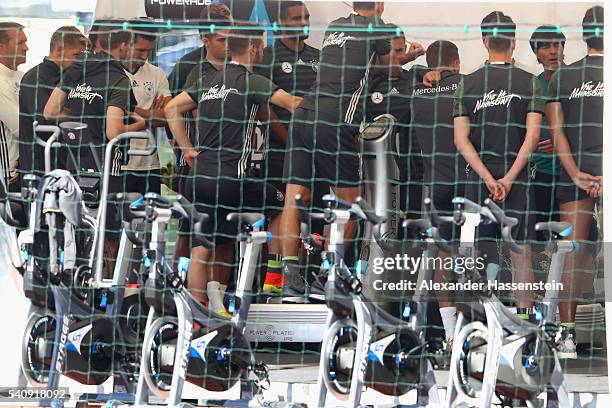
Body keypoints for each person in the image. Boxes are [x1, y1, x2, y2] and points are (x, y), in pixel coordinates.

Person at [279, 1, 423, 297]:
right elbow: (388, 66)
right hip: (335, 118)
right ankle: (327, 273)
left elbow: (362, 62)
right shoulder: (379, 27)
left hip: (304, 113)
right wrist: (413, 57)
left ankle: (289, 274)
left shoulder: (336, 24)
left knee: (296, 197)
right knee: (352, 205)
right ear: (380, 4)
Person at [164, 25, 301, 316]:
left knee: (208, 244)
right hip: (232, 179)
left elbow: (171, 109)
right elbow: (293, 104)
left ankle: (201, 313)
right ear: (252, 48)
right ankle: (276, 279)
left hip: (199, 177)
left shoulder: (209, 80)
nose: (263, 51)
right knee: (283, 204)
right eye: (261, 47)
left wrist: (187, 148)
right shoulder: (252, 80)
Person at [453, 11, 543, 320]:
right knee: (521, 253)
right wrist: (507, 179)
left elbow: (461, 141)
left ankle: (475, 324)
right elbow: (531, 139)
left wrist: (490, 179)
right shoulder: (530, 82)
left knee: (477, 253)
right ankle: (526, 325)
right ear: (514, 41)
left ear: (484, 41)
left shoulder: (468, 83)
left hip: (479, 179)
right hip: (515, 178)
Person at [44, 23, 146, 275]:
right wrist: (140, 126)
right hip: (106, 168)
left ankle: (77, 282)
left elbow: (50, 112)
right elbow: (113, 131)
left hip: (74, 164)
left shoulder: (77, 72)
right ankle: (107, 287)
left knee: (76, 227)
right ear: (122, 46)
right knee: (108, 230)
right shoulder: (118, 80)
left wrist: (80, 120)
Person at [547, 5, 604, 359]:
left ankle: (566, 336)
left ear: (583, 35)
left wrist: (572, 172)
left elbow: (556, 132)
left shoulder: (562, 78)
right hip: (599, 169)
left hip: (577, 173)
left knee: (573, 253)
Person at [256, 0, 320, 294]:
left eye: (306, 17)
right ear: (280, 23)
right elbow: (263, 110)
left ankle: (303, 278)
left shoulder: (321, 58)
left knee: (312, 215)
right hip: (280, 152)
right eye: (297, 18)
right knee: (283, 212)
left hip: (319, 151)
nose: (304, 22)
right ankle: (275, 280)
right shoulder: (267, 58)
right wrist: (290, 139)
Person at [169, 3, 233, 277]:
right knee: (189, 229)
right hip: (195, 162)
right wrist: (184, 151)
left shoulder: (240, 65)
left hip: (230, 165)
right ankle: (175, 283)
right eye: (223, 37)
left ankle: (217, 291)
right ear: (205, 38)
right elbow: (172, 109)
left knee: (225, 232)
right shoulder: (189, 66)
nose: (230, 43)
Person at [410, 40, 464, 342]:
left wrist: (422, 73)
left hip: (433, 185)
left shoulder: (416, 91)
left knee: (443, 256)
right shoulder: (467, 86)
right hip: (468, 181)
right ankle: (474, 328)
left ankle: (450, 334)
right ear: (456, 62)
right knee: (475, 254)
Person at [19, 26, 88, 177]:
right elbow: (45, 119)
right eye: (76, 55)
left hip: (66, 164)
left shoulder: (74, 77)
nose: (80, 61)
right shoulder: (35, 78)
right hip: (40, 167)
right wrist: (81, 115)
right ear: (59, 49)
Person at [121, 22, 172, 195]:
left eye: (149, 51)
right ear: (126, 44)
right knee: (115, 219)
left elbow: (166, 117)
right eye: (140, 50)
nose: (144, 56)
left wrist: (131, 109)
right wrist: (151, 113)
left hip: (150, 163)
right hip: (118, 163)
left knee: (150, 219)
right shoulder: (112, 72)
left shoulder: (157, 74)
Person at [528, 25, 566, 243]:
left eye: (557, 45)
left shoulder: (577, 81)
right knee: (541, 244)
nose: (553, 51)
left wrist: (561, 141)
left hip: (572, 176)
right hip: (540, 176)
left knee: (572, 241)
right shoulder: (532, 85)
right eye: (545, 47)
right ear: (536, 53)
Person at [0, 22, 28, 191]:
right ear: (1, 48)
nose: (27, 48)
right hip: (8, 175)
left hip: (24, 167)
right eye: (20, 43)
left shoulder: (23, 77)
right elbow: (21, 127)